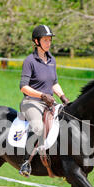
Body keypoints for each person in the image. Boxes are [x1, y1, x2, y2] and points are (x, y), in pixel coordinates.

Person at [18, 24, 69, 177]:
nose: (48, 43)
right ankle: (25, 163)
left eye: (50, 40)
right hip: (31, 102)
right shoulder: (30, 61)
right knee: (38, 128)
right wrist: (41, 95)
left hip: (50, 102)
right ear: (36, 41)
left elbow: (54, 83)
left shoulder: (52, 59)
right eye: (45, 40)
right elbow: (23, 87)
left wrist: (63, 97)